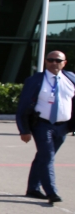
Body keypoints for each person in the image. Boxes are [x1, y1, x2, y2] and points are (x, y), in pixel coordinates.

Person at [17, 50, 74, 204]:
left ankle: (33, 188)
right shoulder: (35, 80)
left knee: (43, 157)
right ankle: (51, 192)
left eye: (58, 60)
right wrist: (24, 130)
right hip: (42, 125)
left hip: (63, 126)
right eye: (50, 60)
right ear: (46, 62)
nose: (54, 63)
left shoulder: (71, 79)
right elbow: (23, 106)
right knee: (47, 157)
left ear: (64, 63)